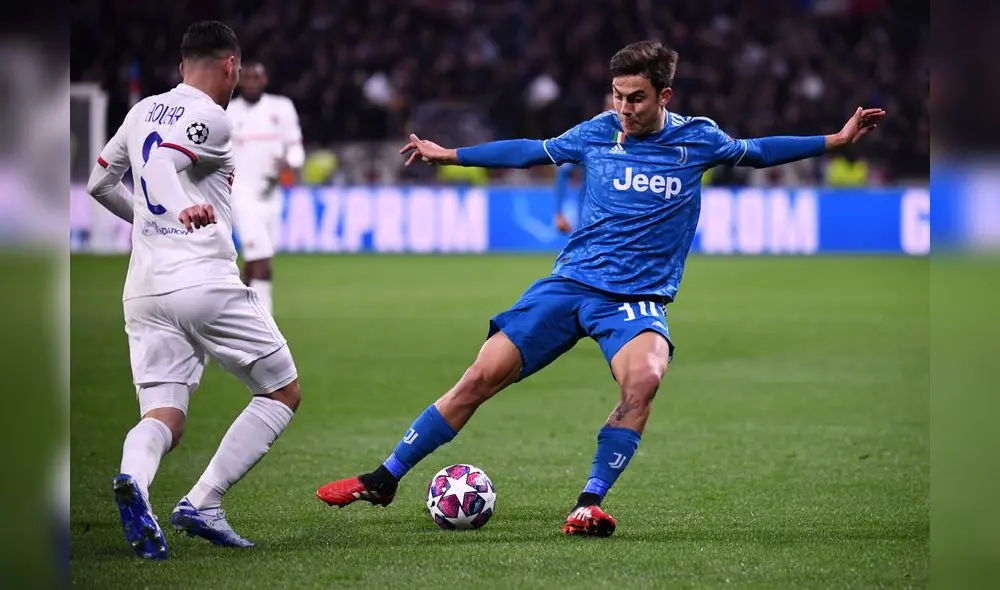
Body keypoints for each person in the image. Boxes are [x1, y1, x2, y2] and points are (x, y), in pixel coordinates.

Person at [316, 40, 884, 537]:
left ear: (665, 95)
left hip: (635, 301)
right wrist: (453, 156)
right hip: (569, 285)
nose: (623, 107)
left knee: (645, 379)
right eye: (617, 94)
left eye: (635, 97)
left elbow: (759, 152)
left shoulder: (698, 140)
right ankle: (384, 477)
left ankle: (589, 503)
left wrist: (835, 139)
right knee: (480, 376)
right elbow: (530, 151)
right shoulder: (597, 132)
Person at [86, 21, 302, 559]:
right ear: (231, 66)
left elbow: (99, 183)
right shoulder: (213, 117)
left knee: (164, 416)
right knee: (281, 390)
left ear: (183, 66)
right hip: (200, 280)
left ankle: (134, 479)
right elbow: (161, 165)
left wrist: (146, 220)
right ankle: (203, 501)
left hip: (143, 290)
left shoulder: (141, 112)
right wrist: (178, 208)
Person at [226, 61, 305, 316]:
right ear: (239, 80)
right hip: (240, 195)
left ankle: (226, 314)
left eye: (256, 77)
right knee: (261, 260)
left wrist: (290, 162)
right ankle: (264, 324)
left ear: (265, 80)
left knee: (256, 261)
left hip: (271, 194)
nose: (251, 81)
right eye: (246, 77)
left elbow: (295, 147)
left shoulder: (281, 108)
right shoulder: (228, 111)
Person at [554, 94, 616, 234]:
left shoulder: (637, 143)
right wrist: (559, 213)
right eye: (612, 107)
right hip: (590, 219)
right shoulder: (591, 138)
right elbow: (563, 173)